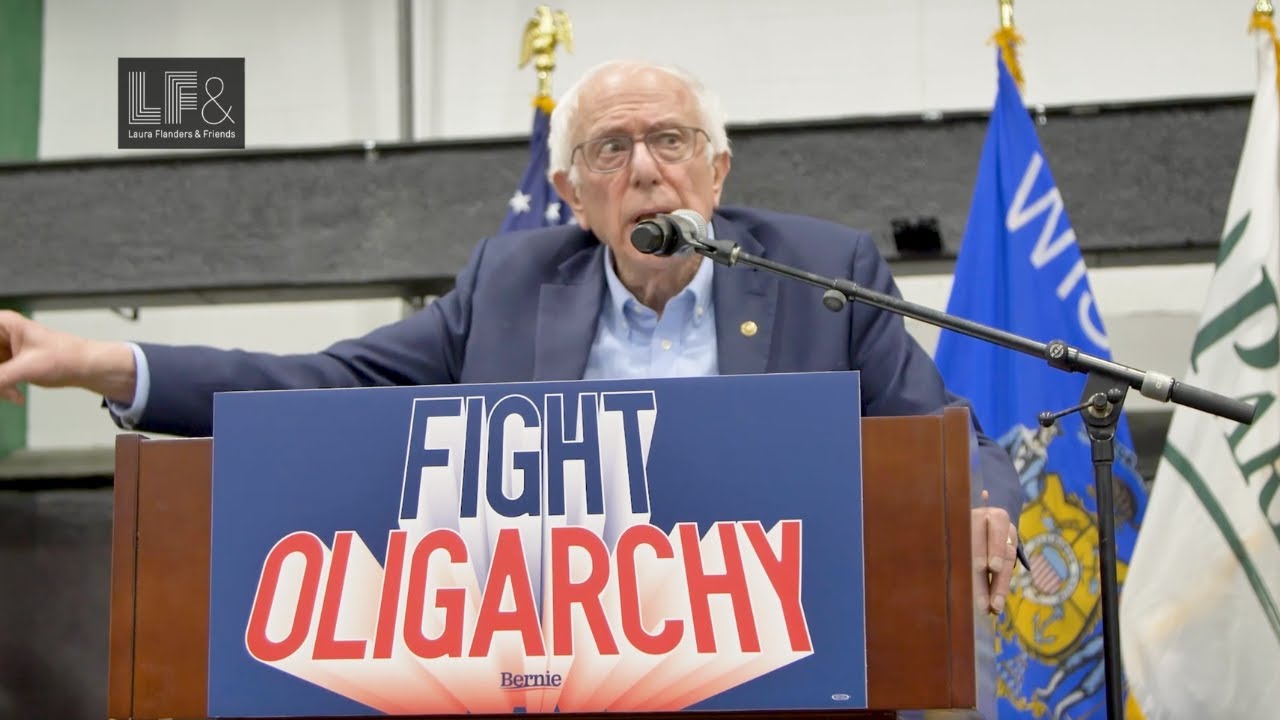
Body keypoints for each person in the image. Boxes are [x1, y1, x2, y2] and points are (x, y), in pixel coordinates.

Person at [0, 59, 1022, 614]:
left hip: (784, 641)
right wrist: (99, 362)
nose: (643, 169)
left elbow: (943, 432)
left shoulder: (819, 275)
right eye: (608, 150)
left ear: (715, 174)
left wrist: (977, 500)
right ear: (574, 195)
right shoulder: (511, 283)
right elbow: (325, 380)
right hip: (552, 654)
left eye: (669, 142)